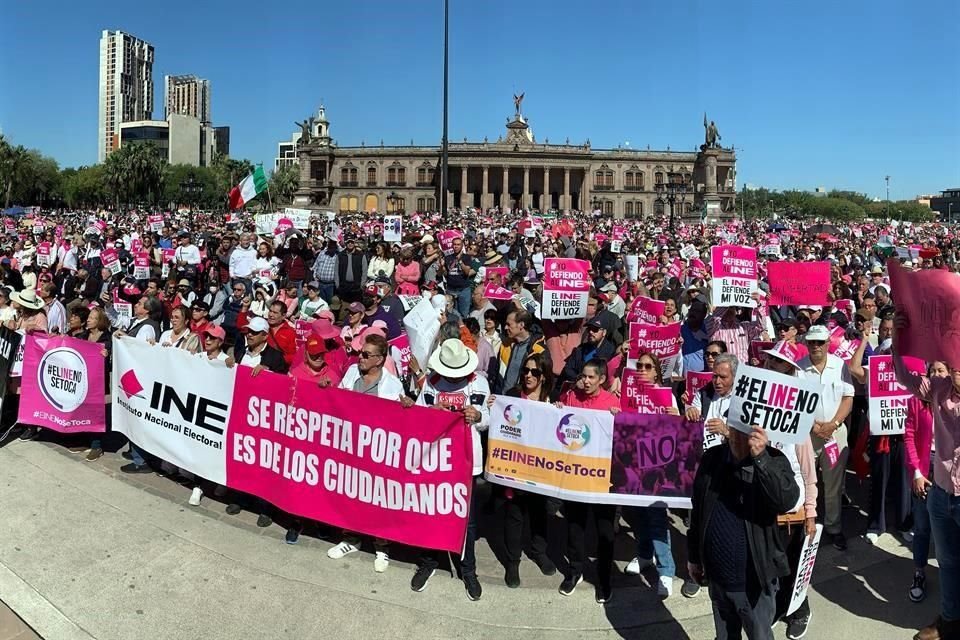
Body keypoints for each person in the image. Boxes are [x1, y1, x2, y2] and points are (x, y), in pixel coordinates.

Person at [688, 420, 799, 640]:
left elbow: (786, 499)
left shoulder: (773, 459)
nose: (740, 436)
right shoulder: (712, 459)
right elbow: (697, 510)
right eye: (735, 428)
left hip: (753, 584)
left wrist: (761, 459)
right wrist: (694, 556)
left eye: (748, 430)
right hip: (718, 580)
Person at [892, 310, 960, 640]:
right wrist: (897, 338)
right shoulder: (938, 387)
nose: (956, 370)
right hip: (942, 495)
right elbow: (905, 377)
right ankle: (948, 619)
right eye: (953, 362)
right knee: (947, 563)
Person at [410, 338, 489, 600]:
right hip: (438, 459)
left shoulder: (479, 382)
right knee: (432, 511)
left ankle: (468, 570)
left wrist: (477, 417)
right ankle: (429, 561)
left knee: (468, 521)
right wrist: (432, 412)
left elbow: (488, 420)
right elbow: (419, 415)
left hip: (468, 461)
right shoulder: (431, 382)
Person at [327, 334, 409, 565]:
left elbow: (397, 423)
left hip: (376, 451)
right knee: (349, 493)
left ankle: (381, 546)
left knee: (377, 498)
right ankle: (351, 538)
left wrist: (406, 408)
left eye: (365, 355)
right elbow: (339, 401)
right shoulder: (352, 373)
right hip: (348, 446)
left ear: (380, 360)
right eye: (359, 353)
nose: (359, 357)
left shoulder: (392, 384)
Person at [762, 341, 819, 639]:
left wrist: (810, 512)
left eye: (779, 364)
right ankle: (777, 606)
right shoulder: (756, 416)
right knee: (770, 561)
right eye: (770, 363)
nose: (772, 368)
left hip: (793, 506)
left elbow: (809, 471)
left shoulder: (798, 421)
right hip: (764, 505)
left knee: (793, 562)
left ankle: (799, 609)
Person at [490, 351, 557, 587]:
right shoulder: (510, 396)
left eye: (535, 372)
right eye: (525, 371)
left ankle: (539, 552)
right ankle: (512, 562)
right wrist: (493, 407)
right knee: (514, 516)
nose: (528, 375)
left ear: (544, 377)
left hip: (542, 471)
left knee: (540, 514)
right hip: (516, 471)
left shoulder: (552, 401)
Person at [556, 359, 620, 603]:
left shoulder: (612, 403)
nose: (585, 381)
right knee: (575, 527)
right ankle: (575, 571)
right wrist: (556, 409)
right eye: (583, 376)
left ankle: (604, 580)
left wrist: (619, 418)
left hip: (603, 479)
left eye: (591, 377)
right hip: (574, 476)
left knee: (605, 531)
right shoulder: (571, 397)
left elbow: (623, 439)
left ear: (602, 379)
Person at [621, 351, 680, 598]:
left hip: (657, 465)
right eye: (639, 366)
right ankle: (645, 556)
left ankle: (666, 570)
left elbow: (678, 428)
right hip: (634, 463)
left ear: (657, 371)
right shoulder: (629, 395)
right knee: (639, 515)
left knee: (656, 516)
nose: (643, 370)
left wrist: (672, 415)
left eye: (648, 366)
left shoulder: (667, 397)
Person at [796, 324, 854, 551]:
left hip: (834, 434)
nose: (816, 346)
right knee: (805, 481)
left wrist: (833, 424)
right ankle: (805, 525)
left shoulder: (840, 366)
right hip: (807, 434)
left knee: (833, 484)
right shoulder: (798, 368)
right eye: (812, 342)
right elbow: (795, 402)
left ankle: (833, 527)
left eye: (820, 342)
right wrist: (814, 425)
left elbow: (848, 399)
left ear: (828, 343)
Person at [903, 360, 948, 605]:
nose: (937, 374)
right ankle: (919, 572)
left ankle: (948, 575)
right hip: (925, 466)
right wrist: (917, 473)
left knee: (948, 529)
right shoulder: (916, 401)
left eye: (941, 370)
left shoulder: (954, 400)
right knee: (922, 526)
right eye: (933, 371)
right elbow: (908, 436)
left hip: (950, 470)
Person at [560, 315, 617, 392]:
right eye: (589, 329)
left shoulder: (611, 352)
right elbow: (568, 369)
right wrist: (578, 378)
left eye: (595, 329)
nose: (591, 332)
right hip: (578, 392)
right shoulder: (580, 349)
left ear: (604, 332)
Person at [495, 309, 545, 394]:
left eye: (508, 324)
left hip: (521, 401)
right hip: (501, 400)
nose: (505, 327)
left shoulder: (538, 350)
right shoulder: (505, 345)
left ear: (521, 325)